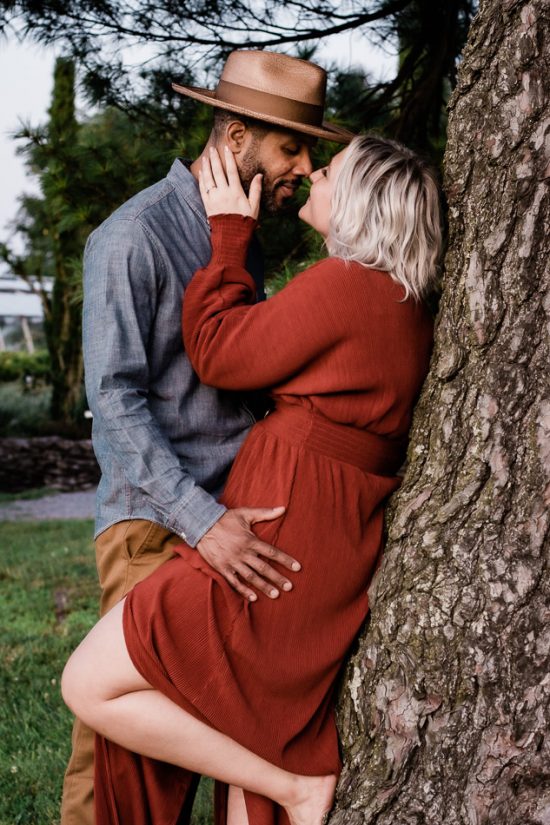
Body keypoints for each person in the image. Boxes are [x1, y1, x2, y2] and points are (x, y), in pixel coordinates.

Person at [62, 134, 442, 825]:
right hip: (306, 537)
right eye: (303, 155)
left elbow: (219, 353)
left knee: (89, 684)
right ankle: (282, 782)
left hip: (275, 538)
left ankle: (296, 785)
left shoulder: (347, 284)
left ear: (361, 200)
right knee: (248, 729)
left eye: (326, 171)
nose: (310, 176)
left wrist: (229, 239)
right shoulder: (398, 300)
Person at [61, 48, 354, 825]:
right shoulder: (132, 237)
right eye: (291, 147)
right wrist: (203, 521)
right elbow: (116, 404)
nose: (301, 165)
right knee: (123, 751)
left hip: (239, 523)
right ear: (234, 141)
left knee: (224, 728)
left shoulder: (241, 236)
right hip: (158, 525)